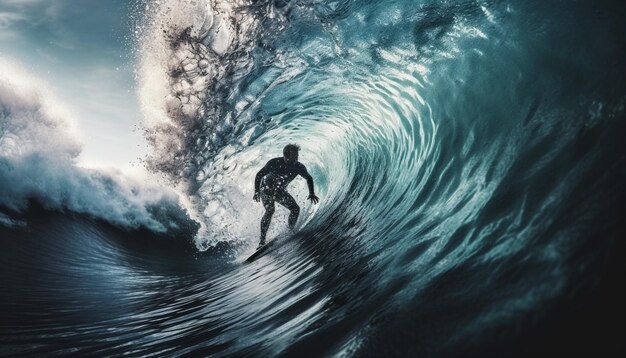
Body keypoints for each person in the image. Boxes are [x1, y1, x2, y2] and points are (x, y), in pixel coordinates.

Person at [253, 144, 319, 247]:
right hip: (266, 189)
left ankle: (289, 230)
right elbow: (259, 175)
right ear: (285, 156)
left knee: (295, 209)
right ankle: (262, 241)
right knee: (270, 210)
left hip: (279, 191)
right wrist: (256, 191)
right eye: (294, 157)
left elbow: (308, 178)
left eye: (297, 156)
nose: (296, 160)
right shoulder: (274, 163)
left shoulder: (298, 167)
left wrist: (311, 193)